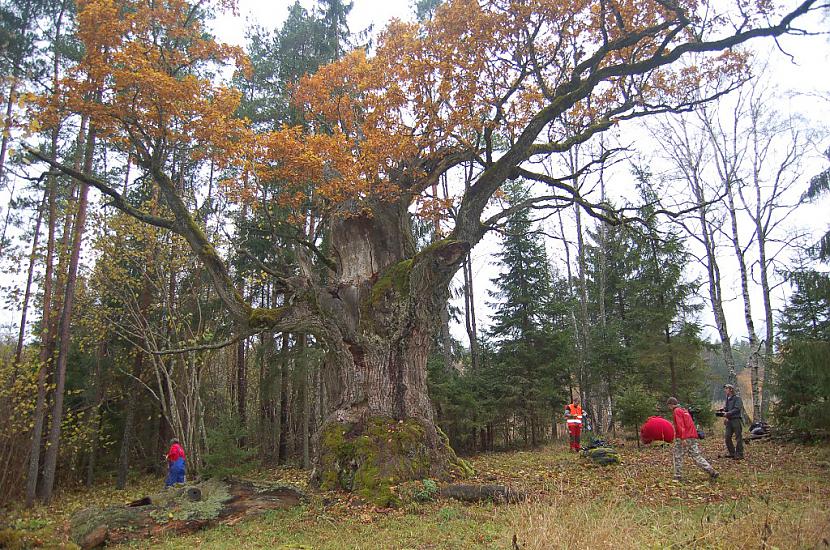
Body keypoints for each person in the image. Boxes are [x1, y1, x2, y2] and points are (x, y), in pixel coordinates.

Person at [667, 397, 718, 481]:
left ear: (671, 405)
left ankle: (677, 475)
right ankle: (711, 470)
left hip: (684, 437)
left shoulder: (677, 411)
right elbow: (690, 424)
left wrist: (682, 438)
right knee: (696, 455)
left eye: (668, 406)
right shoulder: (684, 410)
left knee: (677, 455)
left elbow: (680, 425)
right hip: (692, 436)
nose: (669, 408)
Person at [717, 384, 744, 459]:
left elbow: (737, 409)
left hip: (736, 420)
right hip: (729, 420)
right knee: (727, 437)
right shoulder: (727, 398)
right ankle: (732, 453)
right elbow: (727, 408)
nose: (725, 390)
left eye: (726, 388)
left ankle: (740, 454)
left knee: (738, 437)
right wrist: (722, 410)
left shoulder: (737, 398)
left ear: (731, 389)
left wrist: (727, 413)